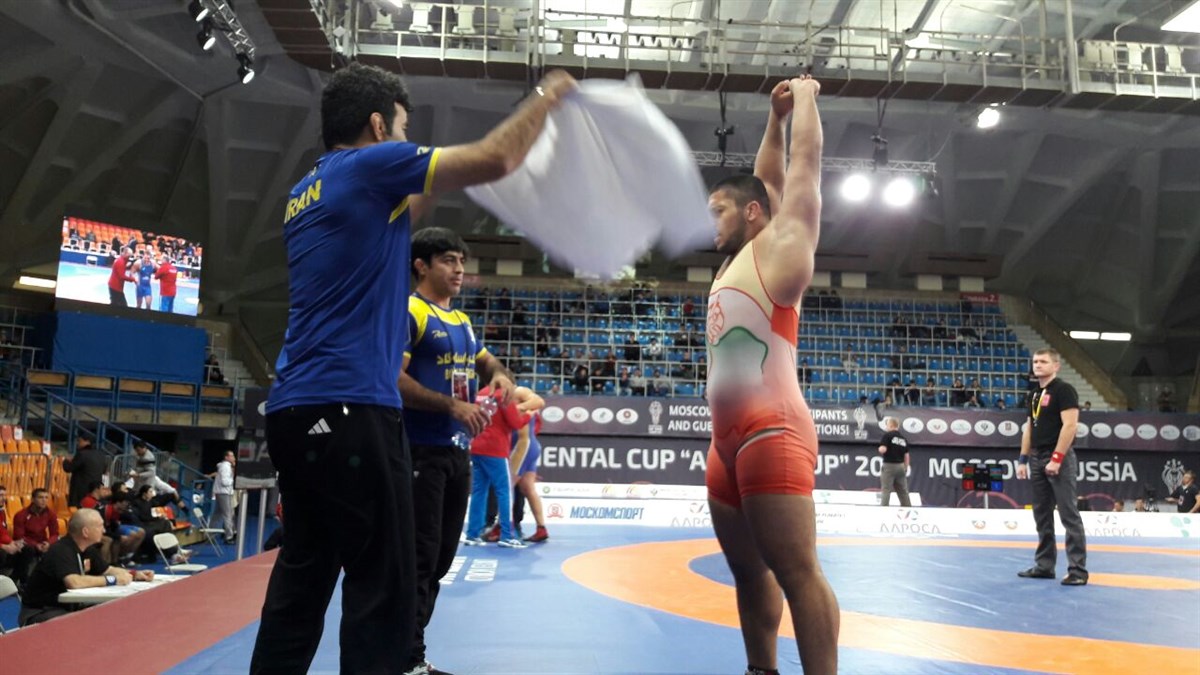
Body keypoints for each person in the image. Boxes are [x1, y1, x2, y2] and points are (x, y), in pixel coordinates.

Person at [251, 62, 576, 675]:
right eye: (402, 128)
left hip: (294, 407)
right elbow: (496, 158)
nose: (406, 139)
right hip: (353, 407)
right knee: (383, 585)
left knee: (302, 577)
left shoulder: (305, 192)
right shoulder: (370, 165)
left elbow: (412, 205)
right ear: (378, 127)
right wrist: (547, 95)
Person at [703, 76, 839, 675]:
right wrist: (773, 118)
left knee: (797, 572)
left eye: (719, 211)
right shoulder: (734, 260)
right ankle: (761, 670)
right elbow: (769, 179)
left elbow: (802, 171)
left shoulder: (783, 250)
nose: (711, 223)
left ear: (751, 213)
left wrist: (805, 97)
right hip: (725, 445)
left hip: (771, 430)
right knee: (747, 573)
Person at [397, 227, 518, 675]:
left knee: (441, 559)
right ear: (421, 265)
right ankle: (405, 659)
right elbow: (393, 379)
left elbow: (486, 362)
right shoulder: (411, 312)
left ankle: (410, 654)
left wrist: (500, 375)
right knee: (420, 559)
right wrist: (452, 406)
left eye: (462, 261)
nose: (459, 269)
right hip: (420, 451)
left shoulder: (461, 321)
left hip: (456, 454)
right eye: (449, 260)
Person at [1015, 348, 1087, 586]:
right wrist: (1023, 459)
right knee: (1041, 514)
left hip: (1059, 458)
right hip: (1037, 457)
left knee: (1068, 513)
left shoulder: (1064, 390)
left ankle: (1078, 570)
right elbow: (1029, 427)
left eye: (1043, 361)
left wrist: (1057, 458)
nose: (1037, 365)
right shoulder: (1034, 394)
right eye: (1035, 361)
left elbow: (1070, 426)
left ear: (1056, 366)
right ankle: (1045, 566)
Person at [18, 509, 153, 626]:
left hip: (66, 607)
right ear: (85, 532)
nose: (104, 530)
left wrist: (133, 574)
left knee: (112, 611)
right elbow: (74, 582)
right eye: (100, 526)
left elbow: (107, 570)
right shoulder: (61, 550)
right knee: (88, 624)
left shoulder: (87, 549)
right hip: (40, 612)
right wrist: (113, 580)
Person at [463, 386, 540, 548]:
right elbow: (515, 423)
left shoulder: (481, 393)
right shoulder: (504, 395)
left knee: (479, 492)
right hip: (495, 449)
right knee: (505, 491)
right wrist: (528, 414)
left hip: (477, 446)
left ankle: (472, 534)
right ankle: (507, 535)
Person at [511, 412, 550, 543]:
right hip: (530, 445)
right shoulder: (528, 406)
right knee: (527, 488)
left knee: (506, 487)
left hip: (522, 447)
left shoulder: (518, 405)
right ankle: (541, 528)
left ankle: (503, 527)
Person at [877, 417, 911, 507]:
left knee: (886, 490)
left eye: (887, 425)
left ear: (891, 426)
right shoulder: (903, 439)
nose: (886, 427)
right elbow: (907, 456)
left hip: (889, 466)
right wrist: (905, 467)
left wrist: (880, 448)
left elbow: (883, 449)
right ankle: (908, 509)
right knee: (903, 491)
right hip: (901, 466)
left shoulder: (887, 436)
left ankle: (884, 510)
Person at [64, 435, 106, 507]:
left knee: (78, 509)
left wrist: (66, 461)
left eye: (80, 441)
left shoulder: (82, 454)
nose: (77, 443)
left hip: (80, 490)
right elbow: (104, 470)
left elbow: (68, 468)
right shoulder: (101, 455)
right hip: (95, 489)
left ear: (87, 442)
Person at [211, 450, 237, 543]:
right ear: (226, 457)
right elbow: (225, 482)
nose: (233, 458)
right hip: (224, 493)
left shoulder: (227, 466)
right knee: (228, 514)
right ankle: (229, 537)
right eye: (231, 456)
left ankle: (210, 534)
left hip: (223, 492)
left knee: (217, 514)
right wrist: (233, 479)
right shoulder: (225, 467)